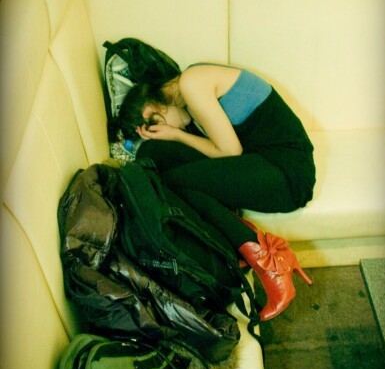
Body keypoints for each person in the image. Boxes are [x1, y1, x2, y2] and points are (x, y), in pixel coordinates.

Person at [109, 60, 316, 321]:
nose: (174, 130)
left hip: (288, 172)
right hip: (258, 163)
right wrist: (167, 138)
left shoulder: (192, 82)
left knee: (171, 182)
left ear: (152, 113)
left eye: (155, 128)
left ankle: (269, 261)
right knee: (153, 154)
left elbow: (230, 152)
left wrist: (176, 135)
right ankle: (232, 245)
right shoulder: (190, 90)